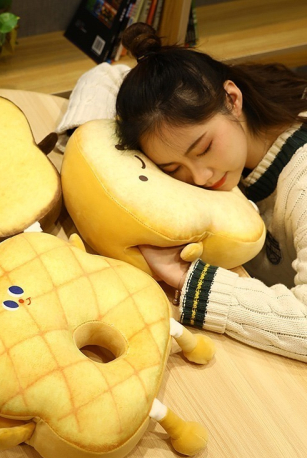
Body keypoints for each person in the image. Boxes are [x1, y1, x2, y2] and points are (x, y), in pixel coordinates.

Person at [114, 22, 307, 362]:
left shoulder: (301, 179)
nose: (200, 177)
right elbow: (102, 76)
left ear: (232, 99)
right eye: (173, 169)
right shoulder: (240, 135)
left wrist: (191, 281)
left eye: (204, 148)